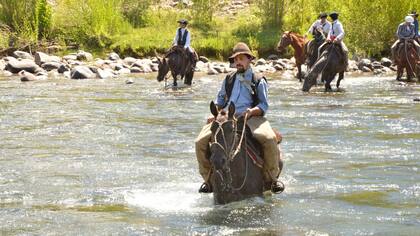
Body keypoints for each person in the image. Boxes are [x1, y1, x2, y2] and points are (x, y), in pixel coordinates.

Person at [195, 42, 284, 194]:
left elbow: (263, 105)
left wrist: (251, 112)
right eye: (235, 59)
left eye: (241, 58)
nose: (238, 62)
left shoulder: (258, 79)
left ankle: (272, 178)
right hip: (226, 118)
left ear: (249, 60)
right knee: (200, 142)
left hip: (250, 117)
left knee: (268, 139)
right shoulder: (228, 79)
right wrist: (214, 114)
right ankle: (208, 180)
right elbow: (220, 101)